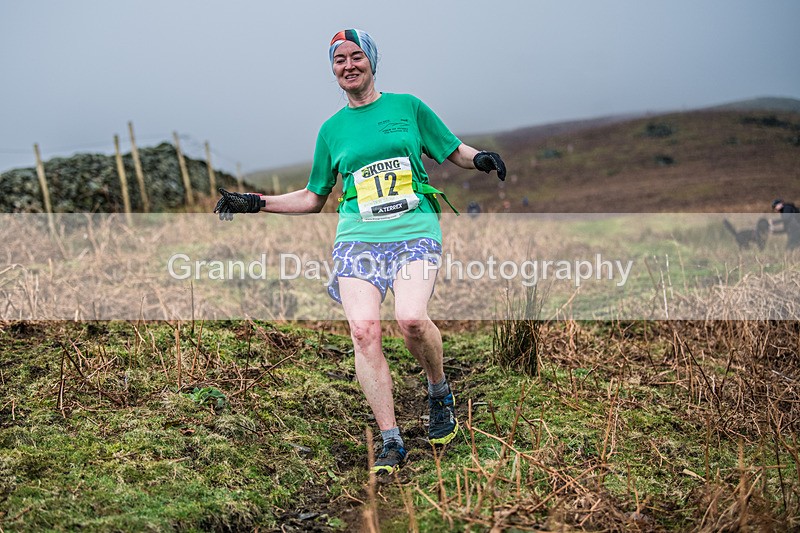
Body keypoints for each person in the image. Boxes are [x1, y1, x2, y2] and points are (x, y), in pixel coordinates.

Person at [213, 29, 506, 475]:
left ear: (371, 61)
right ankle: (390, 440)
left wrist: (481, 157)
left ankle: (438, 391)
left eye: (356, 57)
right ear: (333, 70)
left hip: (413, 229)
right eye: (339, 61)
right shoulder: (331, 131)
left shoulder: (407, 107)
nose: (348, 65)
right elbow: (314, 197)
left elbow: (453, 151)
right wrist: (257, 202)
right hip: (358, 237)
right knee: (364, 332)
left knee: (410, 319)